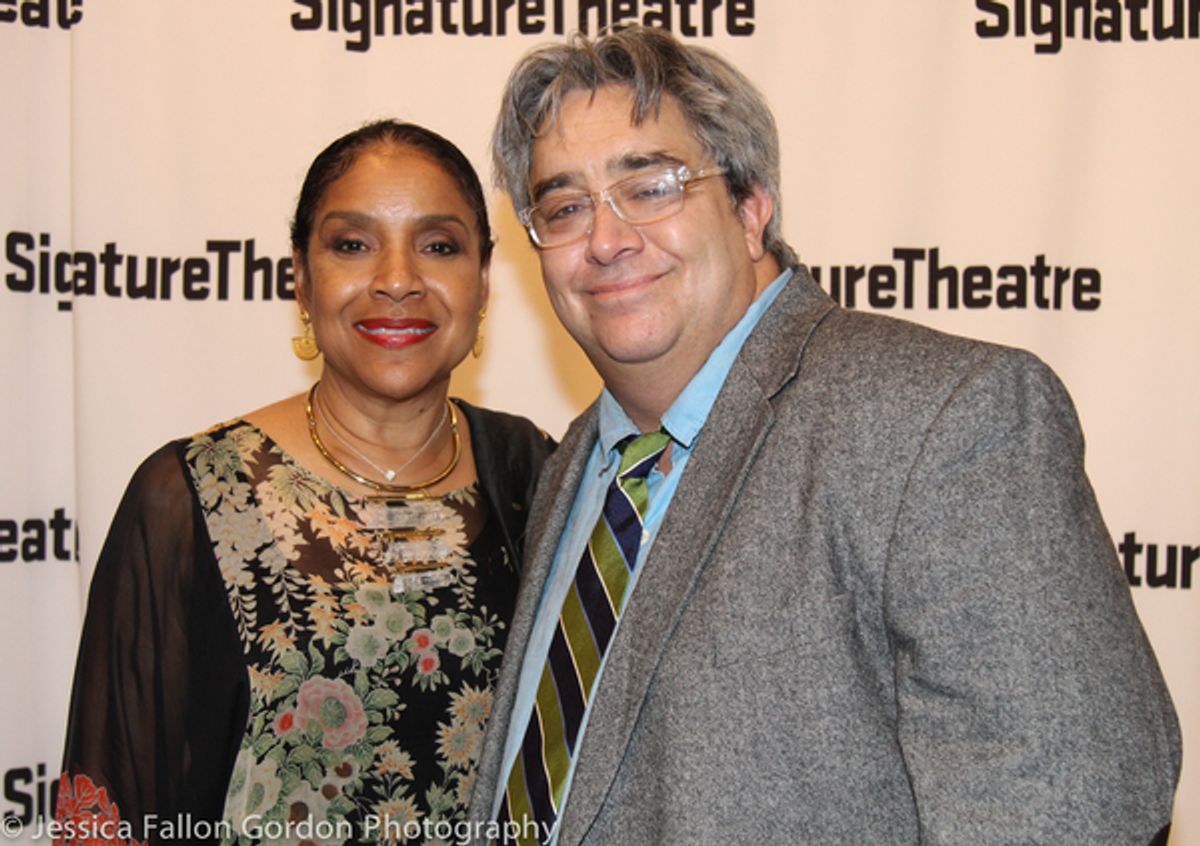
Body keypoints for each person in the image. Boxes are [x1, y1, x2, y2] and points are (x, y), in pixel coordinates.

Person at [467, 26, 1183, 846]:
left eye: (652, 186)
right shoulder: (575, 468)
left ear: (750, 206)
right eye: (564, 207)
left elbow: (1071, 812)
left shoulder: (944, 421)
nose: (604, 238)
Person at [57, 120, 553, 844]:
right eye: (352, 244)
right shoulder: (192, 497)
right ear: (301, 277)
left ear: (482, 283)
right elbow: (111, 804)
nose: (396, 278)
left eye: (438, 246)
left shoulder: (535, 476)